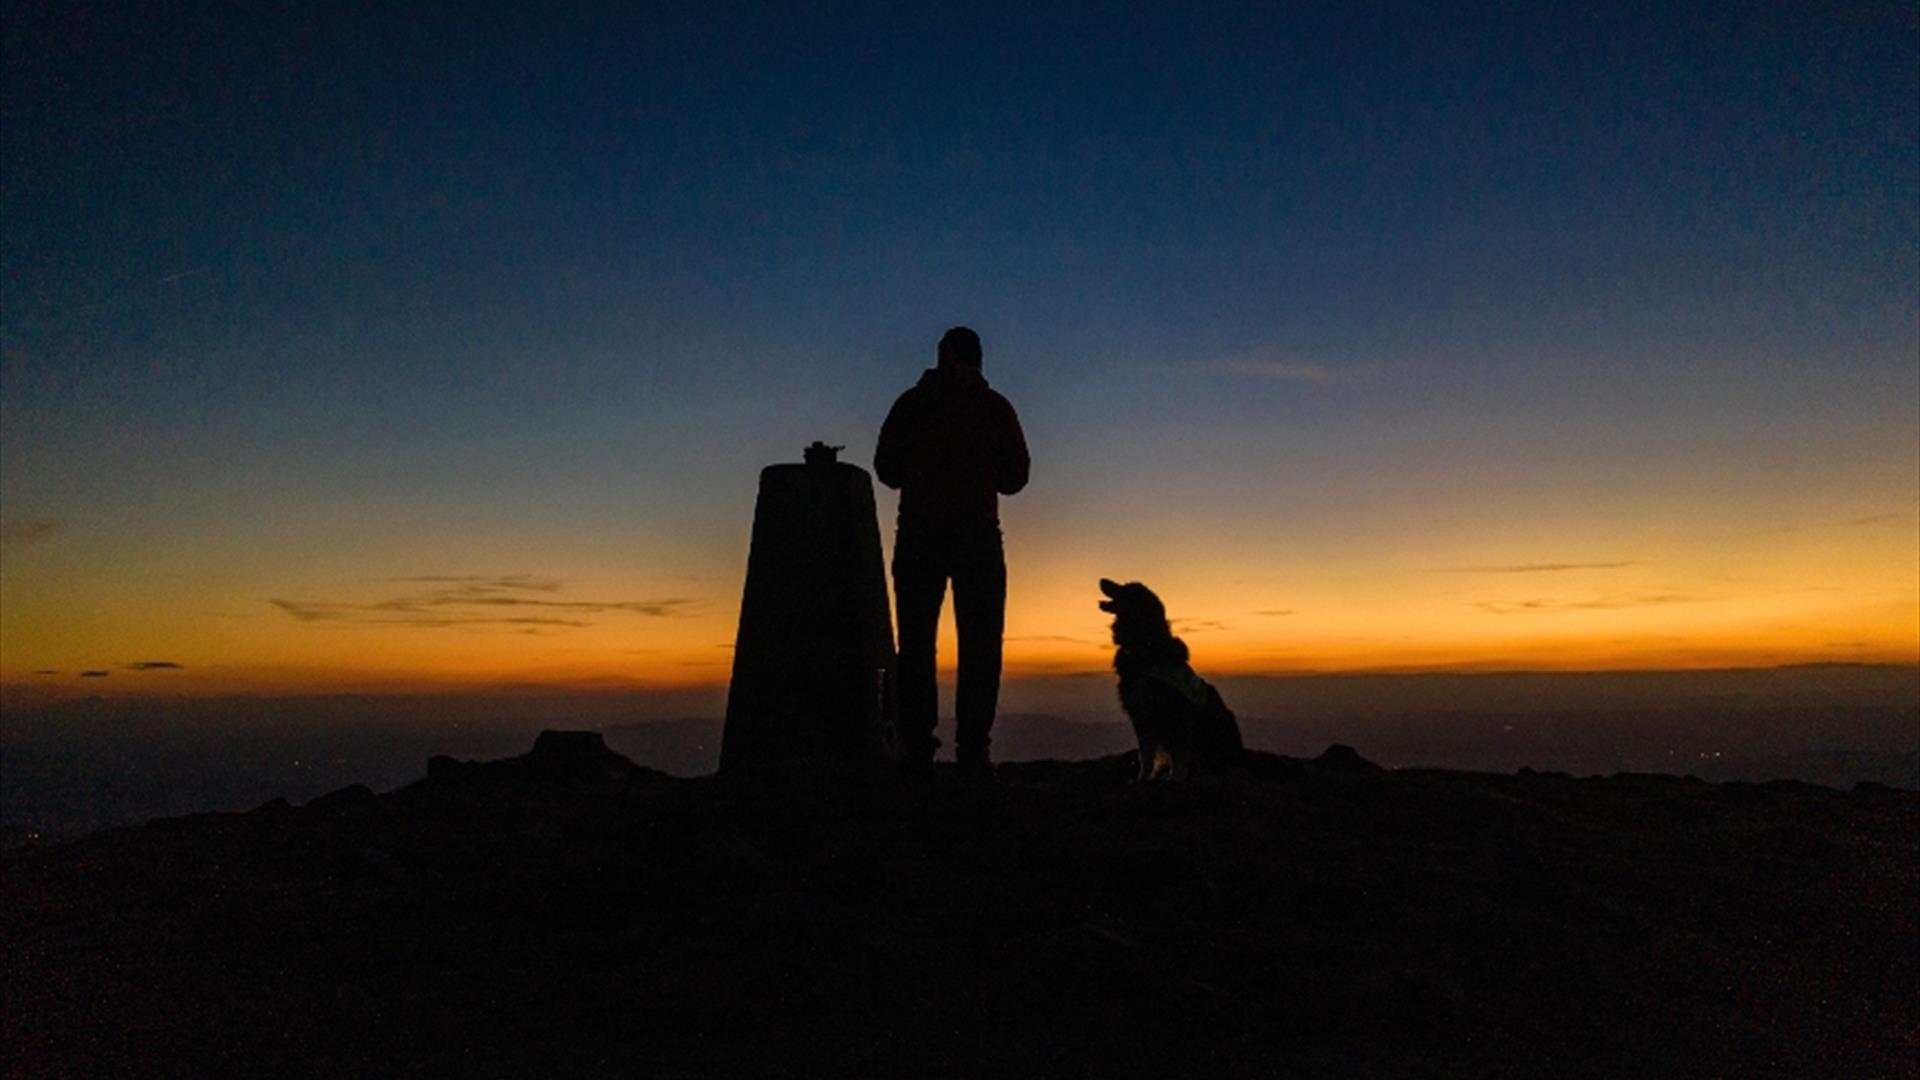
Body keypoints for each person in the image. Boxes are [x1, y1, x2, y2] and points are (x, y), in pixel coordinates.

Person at [875, 326, 1030, 773]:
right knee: (981, 646)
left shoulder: (912, 403)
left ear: (941, 356)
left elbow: (886, 468)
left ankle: (919, 749)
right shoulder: (994, 407)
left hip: (919, 534)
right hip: (977, 537)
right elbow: (1016, 477)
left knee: (917, 644)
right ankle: (974, 750)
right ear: (979, 361)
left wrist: (923, 470)